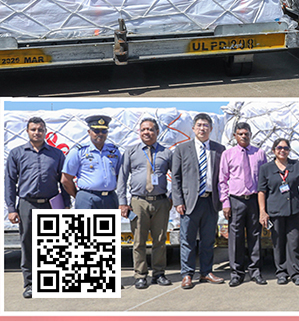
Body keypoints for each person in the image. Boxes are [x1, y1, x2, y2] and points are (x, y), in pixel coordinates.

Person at [5, 116, 70, 299]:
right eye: (33, 129)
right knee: (28, 244)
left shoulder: (57, 154)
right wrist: (11, 208)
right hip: (27, 205)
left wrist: (66, 205)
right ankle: (30, 284)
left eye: (40, 129)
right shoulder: (17, 153)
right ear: (27, 131)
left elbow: (64, 181)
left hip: (51, 204)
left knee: (52, 244)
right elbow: (10, 182)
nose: (37, 132)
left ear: (45, 131)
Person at [171, 112, 227, 289]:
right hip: (189, 202)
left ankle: (206, 272)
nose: (202, 128)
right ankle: (187, 274)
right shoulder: (182, 149)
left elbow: (224, 176)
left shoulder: (219, 149)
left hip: (210, 201)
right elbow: (176, 177)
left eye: (206, 125)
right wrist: (178, 201)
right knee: (187, 240)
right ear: (193, 128)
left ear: (211, 129)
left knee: (208, 240)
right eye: (199, 125)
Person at [116, 117, 173, 289]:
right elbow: (122, 177)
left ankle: (159, 273)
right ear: (139, 132)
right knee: (138, 241)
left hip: (160, 202)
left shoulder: (166, 153)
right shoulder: (131, 152)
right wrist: (122, 202)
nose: (146, 132)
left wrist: (172, 198)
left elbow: (177, 177)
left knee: (160, 240)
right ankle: (140, 275)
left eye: (150, 129)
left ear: (157, 132)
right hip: (138, 202)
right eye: (143, 129)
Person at [219, 121, 269, 287]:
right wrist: (225, 202)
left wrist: (264, 206)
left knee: (255, 236)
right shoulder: (228, 154)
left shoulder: (259, 154)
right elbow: (222, 180)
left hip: (254, 199)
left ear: (250, 135)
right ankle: (236, 273)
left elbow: (264, 180)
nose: (243, 136)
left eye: (246, 134)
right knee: (236, 238)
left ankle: (255, 272)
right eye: (240, 134)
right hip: (236, 200)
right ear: (235, 136)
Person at [258, 138, 299, 285]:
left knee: (294, 242)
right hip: (275, 211)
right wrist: (262, 212)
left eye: (286, 148)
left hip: (294, 210)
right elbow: (261, 191)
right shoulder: (266, 168)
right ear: (274, 150)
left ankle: (296, 273)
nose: (282, 150)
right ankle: (281, 272)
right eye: (279, 148)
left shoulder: (297, 165)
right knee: (278, 243)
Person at [62, 115, 122, 209]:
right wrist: (79, 196)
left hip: (110, 198)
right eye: (96, 131)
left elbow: (119, 175)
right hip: (87, 198)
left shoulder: (114, 151)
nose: (100, 134)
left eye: (104, 131)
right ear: (89, 132)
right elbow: (66, 179)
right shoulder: (79, 151)